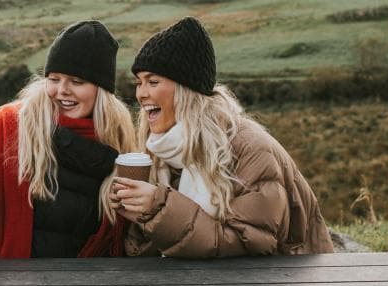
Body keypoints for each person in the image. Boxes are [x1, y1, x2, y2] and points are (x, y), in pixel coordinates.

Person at [110, 16, 334, 257]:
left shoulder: (249, 149)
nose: (141, 93)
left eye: (153, 82)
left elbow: (249, 243)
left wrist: (160, 208)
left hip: (286, 283)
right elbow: (163, 246)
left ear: (187, 91)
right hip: (211, 284)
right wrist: (141, 215)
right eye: (138, 83)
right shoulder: (161, 151)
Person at [0, 20, 136, 258]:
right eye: (54, 79)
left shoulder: (121, 149)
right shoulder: (7, 128)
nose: (62, 90)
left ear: (102, 91)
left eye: (77, 81)